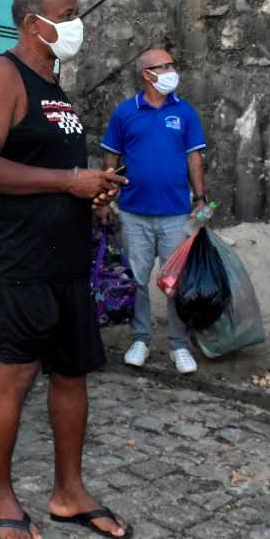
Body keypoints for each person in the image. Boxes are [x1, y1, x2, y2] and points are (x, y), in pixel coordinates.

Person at [0, 0, 132, 539]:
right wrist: (69, 180)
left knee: (72, 372)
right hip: (19, 255)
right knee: (16, 373)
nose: (77, 22)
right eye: (68, 13)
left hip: (67, 256)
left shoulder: (55, 87)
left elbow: (58, 171)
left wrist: (93, 192)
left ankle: (69, 492)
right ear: (35, 22)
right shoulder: (2, 74)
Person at [99, 47, 208, 374]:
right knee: (138, 279)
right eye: (166, 66)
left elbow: (194, 158)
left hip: (176, 213)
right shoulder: (125, 113)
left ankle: (178, 344)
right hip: (134, 213)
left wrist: (200, 199)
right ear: (147, 74)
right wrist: (105, 198)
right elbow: (111, 159)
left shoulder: (185, 113)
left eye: (173, 65)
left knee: (175, 281)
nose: (173, 71)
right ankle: (141, 339)